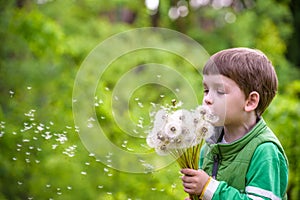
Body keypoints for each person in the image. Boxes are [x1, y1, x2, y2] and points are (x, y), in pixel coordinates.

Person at [181, 47, 289, 200]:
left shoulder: (265, 151)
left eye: (220, 91)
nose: (207, 99)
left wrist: (208, 188)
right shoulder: (209, 146)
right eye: (206, 90)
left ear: (250, 101)